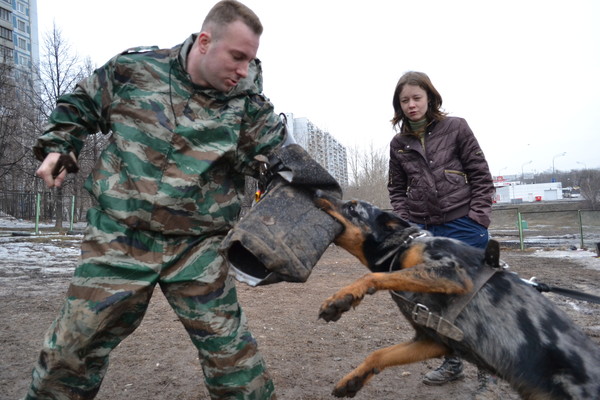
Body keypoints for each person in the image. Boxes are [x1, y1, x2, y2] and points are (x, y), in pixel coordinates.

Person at [25, 1, 287, 399]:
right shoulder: (137, 70)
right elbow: (82, 102)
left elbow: (291, 165)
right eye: (237, 57)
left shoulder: (248, 109)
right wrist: (60, 144)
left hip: (197, 247)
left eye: (250, 60)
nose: (243, 70)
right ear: (204, 41)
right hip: (119, 236)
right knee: (70, 352)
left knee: (235, 365)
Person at [387, 71, 495, 393]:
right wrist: (410, 226)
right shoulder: (399, 144)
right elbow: (396, 189)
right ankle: (452, 362)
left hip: (463, 224)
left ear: (430, 98)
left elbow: (481, 175)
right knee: (435, 301)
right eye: (404, 100)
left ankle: (487, 370)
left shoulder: (456, 127)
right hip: (424, 231)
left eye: (416, 98)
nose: (411, 105)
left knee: (475, 298)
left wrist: (478, 219)